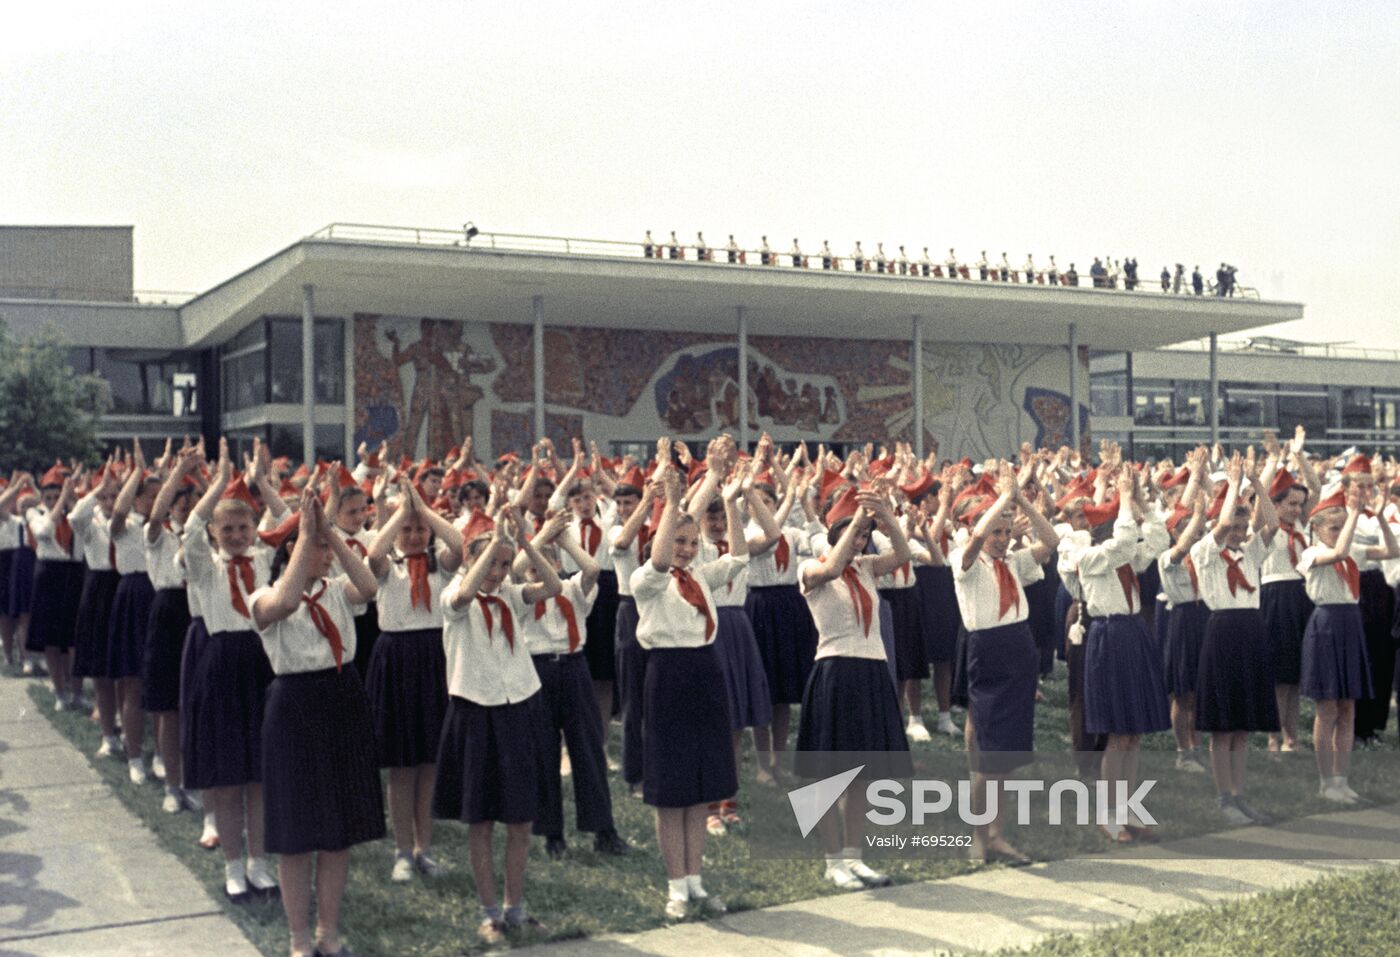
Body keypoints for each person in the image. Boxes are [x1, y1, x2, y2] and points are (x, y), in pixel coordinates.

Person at [251, 490, 384, 957]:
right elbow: (286, 604)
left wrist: (329, 535)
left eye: (329, 548)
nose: (327, 555)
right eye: (320, 548)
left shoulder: (339, 593)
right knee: (296, 833)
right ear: (292, 551)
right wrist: (306, 535)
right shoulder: (263, 594)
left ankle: (328, 931)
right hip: (295, 707)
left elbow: (368, 586)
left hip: (342, 697)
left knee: (337, 829)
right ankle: (299, 938)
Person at [435, 505, 561, 942]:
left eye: (505, 566)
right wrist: (489, 547)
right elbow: (466, 596)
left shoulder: (510, 596)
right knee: (481, 820)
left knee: (521, 817)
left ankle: (515, 906)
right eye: (491, 564)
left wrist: (526, 542)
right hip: (475, 710)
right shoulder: (453, 596)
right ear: (471, 561)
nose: (498, 573)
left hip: (518, 706)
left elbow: (555, 585)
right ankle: (489, 910)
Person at [631, 442, 744, 920]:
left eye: (691, 544)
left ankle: (696, 880)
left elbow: (737, 557)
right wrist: (674, 502)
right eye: (679, 542)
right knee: (671, 786)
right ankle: (676, 885)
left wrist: (729, 496)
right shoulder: (647, 579)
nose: (686, 550)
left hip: (705, 670)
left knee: (701, 785)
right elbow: (660, 561)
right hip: (668, 676)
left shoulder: (700, 575)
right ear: (661, 539)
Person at [796, 483, 912, 889]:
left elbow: (903, 554)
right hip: (835, 671)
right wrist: (858, 518)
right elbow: (830, 568)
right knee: (831, 774)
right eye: (854, 533)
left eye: (865, 535)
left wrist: (885, 514)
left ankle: (854, 856)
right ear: (833, 533)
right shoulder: (812, 569)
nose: (861, 541)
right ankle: (832, 861)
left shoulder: (866, 569)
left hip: (871, 670)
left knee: (864, 774)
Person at [182, 440, 282, 899]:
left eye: (244, 526)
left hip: (261, 663)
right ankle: (232, 865)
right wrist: (219, 482)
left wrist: (262, 484)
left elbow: (283, 523)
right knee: (226, 777)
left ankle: (261, 862)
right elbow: (189, 528)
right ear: (215, 533)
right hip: (220, 666)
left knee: (260, 775)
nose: (238, 535)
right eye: (228, 529)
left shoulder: (263, 561)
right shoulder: (205, 568)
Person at [951, 463, 1059, 863]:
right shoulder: (965, 563)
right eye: (996, 531)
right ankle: (979, 835)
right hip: (988, 650)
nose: (1001, 538)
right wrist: (1001, 500)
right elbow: (974, 541)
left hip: (1019, 647)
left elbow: (1050, 539)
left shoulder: (1013, 562)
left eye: (1006, 531)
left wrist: (1021, 502)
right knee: (988, 752)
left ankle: (996, 833)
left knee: (1007, 753)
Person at [363, 478, 463, 882]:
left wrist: (425, 511)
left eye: (419, 529)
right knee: (402, 764)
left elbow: (459, 544)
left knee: (430, 761)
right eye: (407, 530)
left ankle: (425, 847)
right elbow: (373, 552)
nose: (414, 535)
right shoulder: (390, 569)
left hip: (434, 657)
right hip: (397, 659)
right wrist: (401, 513)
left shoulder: (441, 564)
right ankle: (402, 848)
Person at [519, 509, 630, 858]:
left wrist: (564, 539)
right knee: (543, 750)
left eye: (550, 566)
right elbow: (513, 568)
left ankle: (603, 829)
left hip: (572, 666)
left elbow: (593, 569)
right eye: (535, 568)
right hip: (537, 669)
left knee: (588, 746)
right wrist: (538, 538)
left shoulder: (570, 590)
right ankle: (552, 833)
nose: (543, 574)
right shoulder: (519, 594)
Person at [1073, 470, 1171, 842]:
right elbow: (1127, 542)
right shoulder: (1094, 556)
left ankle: (1129, 807)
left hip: (1131, 633)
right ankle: (1108, 813)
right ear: (1104, 531)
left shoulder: (1126, 558)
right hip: (1109, 636)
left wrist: (1141, 503)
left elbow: (1159, 538)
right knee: (1117, 734)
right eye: (1117, 522)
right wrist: (1125, 498)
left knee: (1134, 733)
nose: (1124, 526)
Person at [1189, 451, 1279, 826]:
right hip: (1222, 632)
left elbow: (1271, 523)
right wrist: (1233, 481)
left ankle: (1240, 795)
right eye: (1235, 530)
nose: (1240, 535)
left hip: (1251, 630)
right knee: (1223, 722)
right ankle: (1224, 795)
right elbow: (1224, 520)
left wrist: (1255, 484)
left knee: (1242, 722)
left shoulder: (1250, 553)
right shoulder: (1206, 552)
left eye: (1244, 530)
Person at [1300, 484, 1398, 802]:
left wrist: (1381, 517)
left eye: (1342, 526)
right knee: (1327, 708)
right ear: (1315, 528)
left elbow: (1392, 551)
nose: (1340, 531)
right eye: (1334, 526)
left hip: (1350, 624)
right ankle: (1325, 780)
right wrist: (1354, 513)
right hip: (1327, 625)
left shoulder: (1349, 551)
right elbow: (1339, 552)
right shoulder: (1311, 552)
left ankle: (1341, 780)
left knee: (1348, 707)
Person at [143, 450, 200, 813]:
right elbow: (155, 512)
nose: (184, 510)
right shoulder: (158, 536)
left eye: (191, 505)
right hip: (166, 611)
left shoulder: (200, 537)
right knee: (167, 708)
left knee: (192, 706)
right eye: (180, 504)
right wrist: (178, 472)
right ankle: (171, 785)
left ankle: (192, 782)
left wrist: (204, 478)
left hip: (195, 614)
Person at [609, 467, 653, 794]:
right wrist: (646, 503)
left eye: (630, 503)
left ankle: (659, 765)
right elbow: (624, 540)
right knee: (632, 698)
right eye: (621, 504)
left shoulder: (656, 531)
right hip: (630, 609)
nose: (625, 510)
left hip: (658, 608)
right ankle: (635, 774)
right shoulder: (616, 531)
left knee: (658, 692)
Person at [27, 464, 85, 708]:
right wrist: (60, 503)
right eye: (48, 497)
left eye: (57, 494)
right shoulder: (35, 514)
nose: (53, 501)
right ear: (43, 498)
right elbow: (43, 533)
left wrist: (70, 503)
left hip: (72, 574)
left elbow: (83, 534)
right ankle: (59, 691)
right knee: (51, 639)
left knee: (72, 640)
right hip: (49, 574)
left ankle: (77, 691)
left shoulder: (74, 515)